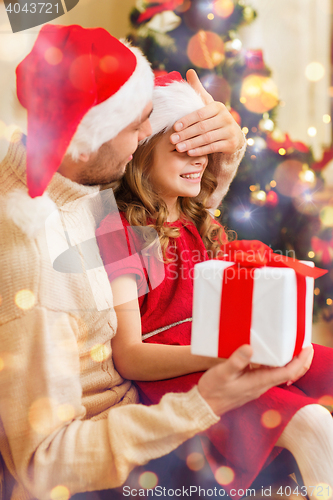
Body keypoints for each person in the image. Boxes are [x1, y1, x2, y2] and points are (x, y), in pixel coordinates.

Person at [0, 24, 314, 500]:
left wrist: (226, 151)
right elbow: (45, 467)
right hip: (130, 452)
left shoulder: (90, 189)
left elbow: (175, 212)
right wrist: (205, 401)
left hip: (161, 410)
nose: (147, 134)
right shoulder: (37, 262)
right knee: (304, 429)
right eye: (137, 126)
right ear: (88, 138)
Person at [97, 72, 333, 496]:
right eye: (185, 148)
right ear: (141, 149)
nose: (201, 161)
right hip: (180, 371)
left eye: (205, 151)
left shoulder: (198, 220)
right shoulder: (122, 231)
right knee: (310, 424)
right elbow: (129, 356)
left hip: (229, 349)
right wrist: (222, 356)